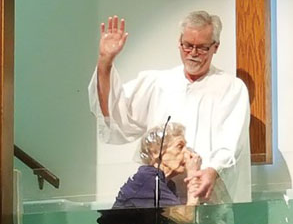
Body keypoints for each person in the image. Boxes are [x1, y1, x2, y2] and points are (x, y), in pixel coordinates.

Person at [89, 10, 251, 204]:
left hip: (208, 196)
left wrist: (211, 171)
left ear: (215, 47)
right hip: (160, 198)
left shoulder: (231, 88)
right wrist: (105, 62)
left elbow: (232, 142)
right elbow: (114, 111)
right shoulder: (158, 83)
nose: (193, 53)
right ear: (179, 42)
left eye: (201, 48)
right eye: (187, 46)